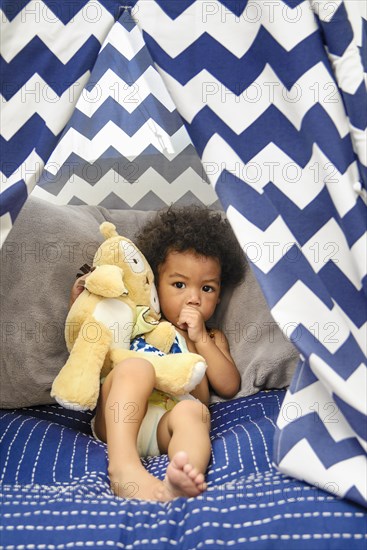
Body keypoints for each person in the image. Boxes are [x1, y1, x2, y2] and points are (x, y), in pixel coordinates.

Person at [70, 205, 246, 501]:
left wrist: (200, 338)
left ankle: (181, 476)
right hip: (118, 420)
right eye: (179, 284)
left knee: (196, 412)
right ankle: (124, 469)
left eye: (207, 288)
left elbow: (229, 386)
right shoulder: (140, 319)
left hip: (165, 425)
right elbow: (92, 344)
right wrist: (82, 305)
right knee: (136, 369)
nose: (194, 297)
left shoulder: (211, 337)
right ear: (154, 281)